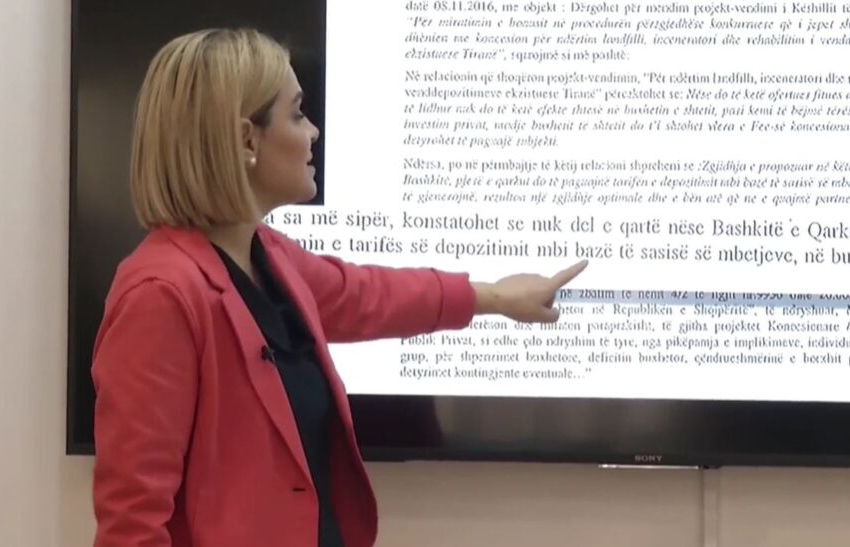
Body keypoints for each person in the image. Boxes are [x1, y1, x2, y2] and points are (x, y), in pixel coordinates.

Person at [90, 28, 587, 547]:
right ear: (245, 140)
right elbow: (131, 525)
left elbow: (367, 296)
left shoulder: (267, 256)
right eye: (297, 114)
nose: (313, 132)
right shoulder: (160, 295)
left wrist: (494, 298)